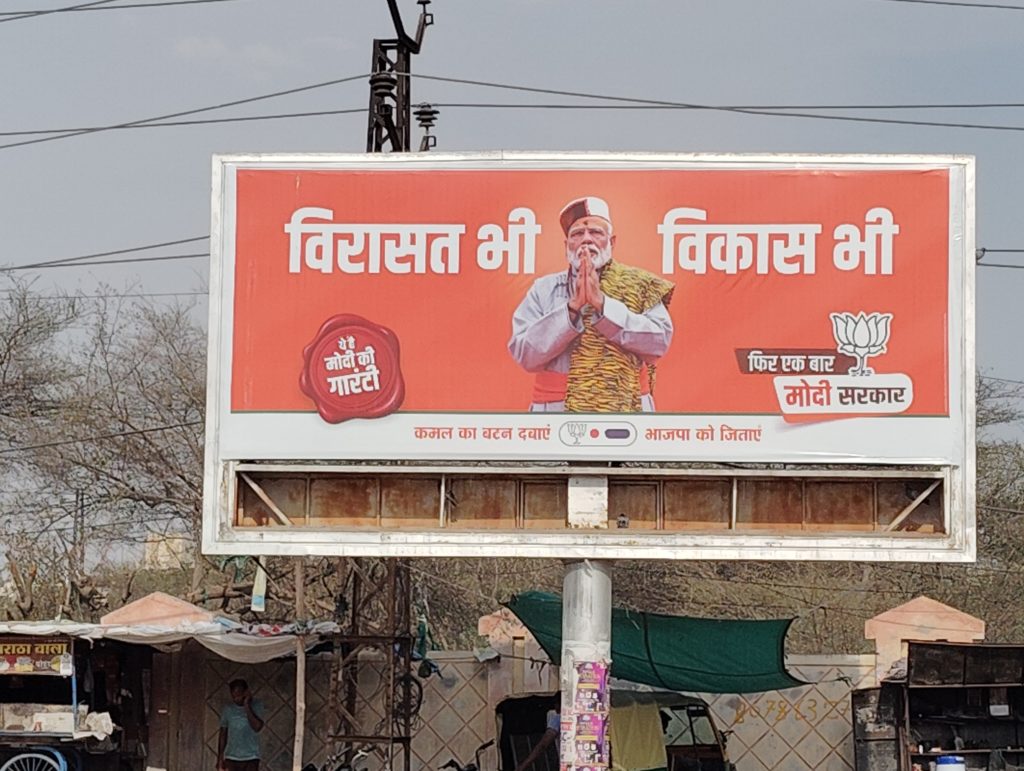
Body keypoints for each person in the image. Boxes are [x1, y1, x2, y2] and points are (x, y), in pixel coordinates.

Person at [508, 196, 674, 413]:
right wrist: (571, 309)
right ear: (566, 245)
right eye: (577, 234)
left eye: (596, 232)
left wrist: (604, 306)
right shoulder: (543, 289)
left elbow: (658, 344)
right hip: (557, 411)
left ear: (611, 242)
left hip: (627, 409)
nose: (586, 240)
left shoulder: (641, 284)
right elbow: (525, 355)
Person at [217, 678, 265, 771]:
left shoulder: (257, 705)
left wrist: (246, 705)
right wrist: (220, 757)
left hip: (251, 757)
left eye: (239, 695)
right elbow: (223, 734)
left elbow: (257, 727)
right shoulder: (228, 709)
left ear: (246, 692)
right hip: (232, 757)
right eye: (234, 696)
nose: (236, 699)